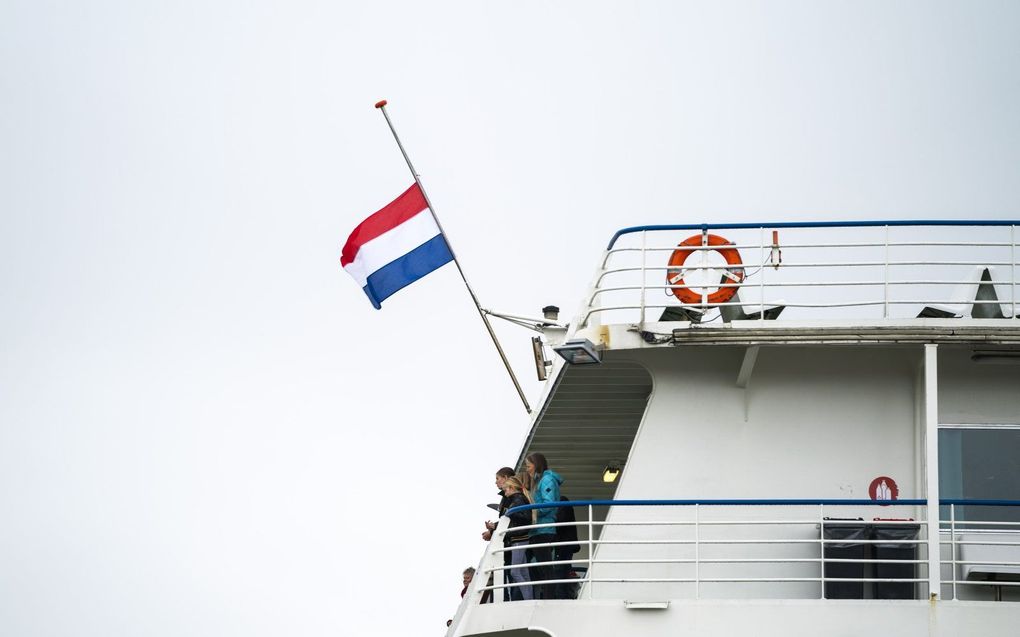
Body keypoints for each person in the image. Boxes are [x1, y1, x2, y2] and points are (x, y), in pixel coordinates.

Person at [524, 452, 563, 599]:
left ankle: (548, 598)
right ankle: (543, 596)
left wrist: (531, 512)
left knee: (545, 568)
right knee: (538, 568)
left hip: (544, 529)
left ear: (537, 465)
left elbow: (548, 504)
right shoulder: (540, 481)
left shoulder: (546, 480)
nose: (527, 469)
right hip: (538, 530)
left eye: (529, 466)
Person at [501, 476, 534, 600]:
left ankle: (528, 599)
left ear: (512, 488)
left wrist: (511, 513)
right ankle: (529, 598)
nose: (505, 493)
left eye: (505, 490)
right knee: (523, 572)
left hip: (519, 538)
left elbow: (526, 518)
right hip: (519, 537)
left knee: (515, 572)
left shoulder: (518, 499)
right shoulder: (519, 499)